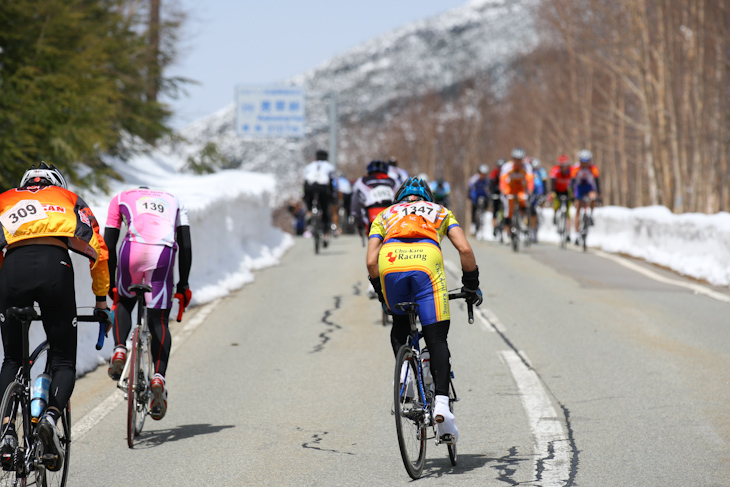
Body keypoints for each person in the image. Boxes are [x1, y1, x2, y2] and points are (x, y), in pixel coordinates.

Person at [0, 162, 111, 471]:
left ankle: (7, 430)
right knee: (63, 360)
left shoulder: (4, 198)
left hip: (12, 271)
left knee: (11, 360)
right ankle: (50, 416)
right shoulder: (69, 198)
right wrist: (101, 301)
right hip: (54, 268)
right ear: (57, 184)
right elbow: (97, 250)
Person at [366, 177, 483, 444]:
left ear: (400, 199)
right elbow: (464, 249)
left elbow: (372, 260)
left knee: (400, 323)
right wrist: (471, 286)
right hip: (427, 264)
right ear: (426, 198)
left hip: (391, 262)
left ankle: (406, 374)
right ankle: (442, 406)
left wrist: (381, 292)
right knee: (436, 338)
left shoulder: (385, 215)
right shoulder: (440, 211)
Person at [104, 186, 192, 421]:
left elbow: (109, 242)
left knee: (123, 301)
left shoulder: (122, 197)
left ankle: (120, 348)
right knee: (159, 320)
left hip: (131, 252)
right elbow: (186, 245)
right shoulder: (174, 199)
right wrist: (183, 284)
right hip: (161, 255)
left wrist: (109, 282)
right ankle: (158, 378)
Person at [351, 160, 397, 233]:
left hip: (372, 213)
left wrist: (357, 220)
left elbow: (355, 201)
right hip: (391, 212)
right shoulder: (393, 181)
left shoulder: (361, 180)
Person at [303, 149, 336, 245]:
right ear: (327, 158)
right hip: (323, 187)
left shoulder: (309, 166)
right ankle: (325, 235)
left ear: (315, 158)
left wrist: (305, 195)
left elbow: (305, 182)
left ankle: (309, 212)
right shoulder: (329, 167)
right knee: (325, 210)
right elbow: (331, 183)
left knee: (307, 197)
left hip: (310, 186)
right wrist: (331, 196)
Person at [499, 148, 534, 232]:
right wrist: (503, 191)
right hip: (509, 189)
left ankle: (522, 220)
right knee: (509, 211)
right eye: (516, 160)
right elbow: (502, 181)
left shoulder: (527, 167)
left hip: (520, 189)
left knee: (524, 202)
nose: (518, 162)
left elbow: (530, 181)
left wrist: (530, 192)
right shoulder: (507, 167)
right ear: (513, 159)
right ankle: (507, 232)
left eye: (520, 160)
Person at [570, 149, 601, 242]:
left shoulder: (593, 168)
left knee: (593, 197)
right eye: (583, 161)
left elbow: (597, 182)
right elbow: (572, 183)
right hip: (579, 187)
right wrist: (572, 195)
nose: (584, 164)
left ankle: (591, 214)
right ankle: (576, 234)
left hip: (589, 187)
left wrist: (598, 195)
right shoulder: (575, 168)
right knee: (578, 208)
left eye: (587, 162)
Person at [548, 154, 573, 240]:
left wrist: (573, 195)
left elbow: (574, 183)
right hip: (557, 190)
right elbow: (552, 183)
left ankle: (568, 233)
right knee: (556, 204)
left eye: (565, 166)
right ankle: (555, 215)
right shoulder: (555, 170)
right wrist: (552, 193)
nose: (563, 168)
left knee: (568, 212)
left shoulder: (571, 171)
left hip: (566, 191)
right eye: (562, 166)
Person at [468, 164, 490, 235]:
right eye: (481, 173)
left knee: (487, 201)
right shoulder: (474, 178)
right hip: (476, 195)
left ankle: (483, 213)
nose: (482, 175)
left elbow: (489, 188)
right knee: (474, 207)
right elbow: (470, 187)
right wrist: (470, 194)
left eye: (484, 174)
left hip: (483, 195)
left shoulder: (487, 180)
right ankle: (473, 225)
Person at [528, 159, 547, 242]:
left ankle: (536, 227)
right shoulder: (529, 172)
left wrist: (544, 195)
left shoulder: (542, 172)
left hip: (540, 193)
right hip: (531, 194)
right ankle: (531, 229)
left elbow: (545, 184)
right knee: (532, 212)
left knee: (538, 210)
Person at [488, 159, 505, 237]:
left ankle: (505, 226)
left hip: (504, 193)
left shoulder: (507, 173)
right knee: (495, 211)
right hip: (496, 193)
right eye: (499, 167)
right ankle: (495, 227)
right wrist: (492, 193)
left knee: (506, 210)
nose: (501, 168)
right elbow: (491, 184)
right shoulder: (494, 173)